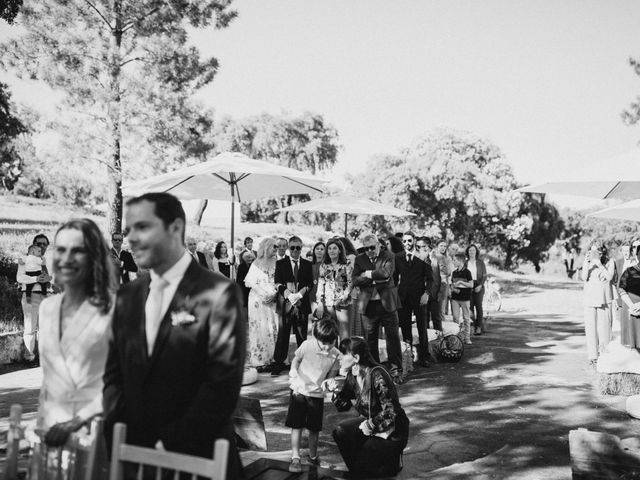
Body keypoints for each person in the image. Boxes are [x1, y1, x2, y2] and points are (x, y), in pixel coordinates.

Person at [103, 192, 246, 479]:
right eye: (129, 230)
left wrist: (166, 444)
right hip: (134, 456)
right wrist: (120, 434)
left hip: (200, 458)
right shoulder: (128, 296)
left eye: (143, 227)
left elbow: (222, 382)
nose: (131, 239)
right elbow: (113, 374)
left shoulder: (218, 292)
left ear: (176, 228)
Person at [37, 218, 115, 446]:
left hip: (97, 432)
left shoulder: (115, 309)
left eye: (78, 251)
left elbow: (125, 382)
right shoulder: (47, 308)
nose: (67, 259)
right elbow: (49, 379)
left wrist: (78, 421)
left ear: (94, 258)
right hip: (50, 432)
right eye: (60, 249)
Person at [328, 337, 409, 478]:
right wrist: (334, 391)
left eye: (343, 354)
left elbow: (391, 411)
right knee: (340, 432)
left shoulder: (377, 373)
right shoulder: (352, 375)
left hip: (392, 431)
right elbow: (344, 406)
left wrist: (371, 424)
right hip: (371, 428)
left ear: (356, 357)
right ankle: (360, 469)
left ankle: (391, 461)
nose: (339, 358)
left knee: (366, 452)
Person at [286, 319, 341, 473]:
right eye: (324, 343)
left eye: (331, 342)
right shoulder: (307, 345)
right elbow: (296, 360)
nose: (327, 346)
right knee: (296, 425)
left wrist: (330, 382)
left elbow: (332, 374)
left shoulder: (335, 354)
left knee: (314, 428)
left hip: (316, 394)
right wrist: (293, 371)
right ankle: (295, 457)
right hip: (299, 390)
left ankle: (313, 456)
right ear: (316, 338)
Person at [352, 234, 403, 383]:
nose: (369, 251)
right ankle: (375, 371)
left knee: (392, 338)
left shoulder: (389, 256)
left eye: (372, 247)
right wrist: (376, 278)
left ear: (378, 245)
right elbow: (354, 279)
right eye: (366, 248)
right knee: (370, 340)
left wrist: (367, 274)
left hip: (387, 304)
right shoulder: (359, 258)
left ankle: (396, 371)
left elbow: (386, 273)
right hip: (369, 306)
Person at [273, 236, 314, 376]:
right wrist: (289, 295)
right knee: (283, 335)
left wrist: (300, 294)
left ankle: (304, 364)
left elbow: (310, 284)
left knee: (302, 336)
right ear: (288, 248)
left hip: (302, 304)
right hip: (286, 304)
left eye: (298, 247)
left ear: (301, 248)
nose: (295, 250)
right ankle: (278, 363)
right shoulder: (280, 263)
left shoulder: (308, 264)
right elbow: (277, 282)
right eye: (292, 247)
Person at [394, 232, 432, 367]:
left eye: (409, 240)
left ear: (414, 241)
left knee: (422, 327)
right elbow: (394, 278)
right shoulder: (397, 257)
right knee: (405, 328)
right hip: (403, 297)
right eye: (404, 241)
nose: (407, 243)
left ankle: (425, 356)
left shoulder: (422, 256)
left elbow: (430, 279)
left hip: (420, 296)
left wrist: (426, 293)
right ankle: (408, 356)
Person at [243, 237, 279, 372]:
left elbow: (280, 280)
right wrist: (263, 294)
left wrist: (274, 294)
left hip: (273, 299)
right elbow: (250, 282)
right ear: (265, 248)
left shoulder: (278, 262)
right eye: (273, 247)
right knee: (260, 328)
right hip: (258, 300)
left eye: (276, 247)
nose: (275, 249)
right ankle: (260, 360)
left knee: (273, 328)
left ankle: (274, 359)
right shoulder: (257, 263)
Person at [16, 234, 53, 363]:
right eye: (39, 243)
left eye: (44, 244)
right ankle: (29, 358)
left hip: (47, 297)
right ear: (34, 244)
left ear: (47, 246)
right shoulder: (25, 260)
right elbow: (20, 278)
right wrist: (35, 279)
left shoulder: (48, 261)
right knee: (30, 328)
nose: (42, 246)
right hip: (30, 296)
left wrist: (50, 280)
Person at [581, 241, 615, 368]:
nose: (595, 254)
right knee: (590, 328)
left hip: (604, 298)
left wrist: (599, 264)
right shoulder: (588, 262)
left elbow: (609, 277)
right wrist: (587, 262)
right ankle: (593, 356)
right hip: (590, 298)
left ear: (602, 252)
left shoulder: (609, 262)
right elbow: (584, 277)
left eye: (597, 252)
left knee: (605, 328)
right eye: (592, 251)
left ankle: (604, 354)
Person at [316, 238, 354, 340]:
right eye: (329, 248)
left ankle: (344, 356)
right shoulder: (324, 266)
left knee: (345, 337)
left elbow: (350, 283)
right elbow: (321, 285)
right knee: (329, 336)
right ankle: (333, 356)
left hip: (343, 305)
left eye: (334, 248)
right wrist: (319, 302)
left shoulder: (347, 264)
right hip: (328, 305)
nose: (332, 251)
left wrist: (341, 298)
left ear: (340, 250)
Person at [416, 237, 441, 332]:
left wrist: (441, 294)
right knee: (424, 321)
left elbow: (443, 278)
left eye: (421, 246)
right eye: (417, 247)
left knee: (436, 319)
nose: (419, 249)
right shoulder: (417, 257)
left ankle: (439, 343)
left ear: (427, 246)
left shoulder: (439, 258)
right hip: (422, 293)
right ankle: (427, 344)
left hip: (435, 294)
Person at [618, 245, 640, 350]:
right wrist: (631, 306)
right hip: (631, 310)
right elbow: (621, 289)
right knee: (632, 345)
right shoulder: (629, 271)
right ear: (637, 255)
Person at [450, 253, 473, 345]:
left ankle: (467, 338)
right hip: (455, 298)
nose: (453, 262)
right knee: (455, 318)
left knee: (466, 319)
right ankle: (456, 339)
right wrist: (454, 289)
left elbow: (471, 285)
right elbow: (452, 285)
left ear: (460, 261)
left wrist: (460, 282)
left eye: (454, 260)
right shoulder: (454, 273)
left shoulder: (467, 272)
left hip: (465, 299)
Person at [466, 244, 487, 335]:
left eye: (473, 250)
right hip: (468, 286)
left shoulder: (480, 262)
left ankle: (479, 327)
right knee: (470, 307)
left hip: (479, 285)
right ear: (467, 252)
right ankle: (472, 326)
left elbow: (484, 275)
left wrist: (480, 285)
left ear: (476, 252)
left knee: (478, 306)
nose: (472, 252)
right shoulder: (465, 263)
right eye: (470, 250)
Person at [433, 240, 452, 322]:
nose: (443, 248)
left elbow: (449, 272)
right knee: (433, 309)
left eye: (445, 246)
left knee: (441, 309)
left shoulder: (447, 258)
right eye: (441, 245)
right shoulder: (432, 256)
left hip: (444, 284)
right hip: (433, 284)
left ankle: (442, 331)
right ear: (437, 246)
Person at [309, 241, 326, 317]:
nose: (319, 250)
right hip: (310, 298)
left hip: (322, 300)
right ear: (314, 250)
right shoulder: (309, 265)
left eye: (322, 249)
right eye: (317, 248)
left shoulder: (326, 266)